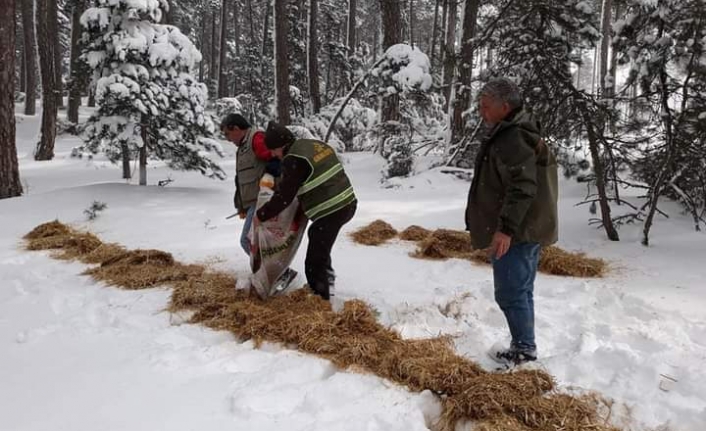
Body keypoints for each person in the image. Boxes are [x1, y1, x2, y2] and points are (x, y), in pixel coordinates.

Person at [465, 77, 558, 365]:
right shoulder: (516, 131)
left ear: (504, 107)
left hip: (518, 231)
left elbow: (523, 187)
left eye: (485, 106)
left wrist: (505, 229)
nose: (482, 112)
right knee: (520, 290)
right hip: (526, 227)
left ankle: (524, 350)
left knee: (510, 292)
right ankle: (524, 345)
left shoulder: (512, 137)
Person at [255, 121, 357, 300]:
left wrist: (261, 214)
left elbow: (285, 196)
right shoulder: (311, 145)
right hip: (346, 201)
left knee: (315, 256)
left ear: (281, 145)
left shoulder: (294, 159)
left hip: (333, 208)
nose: (273, 154)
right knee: (319, 242)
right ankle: (326, 281)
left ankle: (319, 296)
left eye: (273, 150)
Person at [220, 114, 279, 256]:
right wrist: (242, 206)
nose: (228, 139)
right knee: (257, 241)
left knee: (248, 240)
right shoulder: (243, 146)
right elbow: (243, 180)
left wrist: (271, 176)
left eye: (228, 134)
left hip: (263, 201)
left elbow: (277, 157)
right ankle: (273, 273)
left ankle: (277, 273)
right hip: (255, 203)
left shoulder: (256, 139)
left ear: (236, 128)